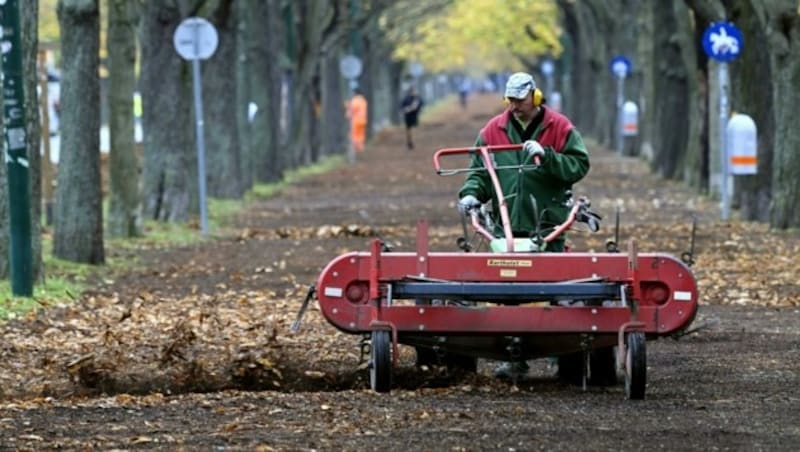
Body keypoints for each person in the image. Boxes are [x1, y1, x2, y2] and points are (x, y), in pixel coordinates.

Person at [457, 71, 590, 379]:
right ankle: (513, 358)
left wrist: (549, 156)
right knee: (509, 293)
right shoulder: (494, 130)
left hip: (548, 222)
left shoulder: (560, 127)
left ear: (535, 96)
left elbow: (579, 165)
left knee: (557, 288)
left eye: (520, 100)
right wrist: (470, 195)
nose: (515, 106)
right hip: (506, 223)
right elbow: (480, 171)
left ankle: (561, 354)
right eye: (511, 100)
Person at [346, 87, 368, 153]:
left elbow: (352, 109)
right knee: (361, 135)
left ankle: (355, 150)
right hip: (363, 120)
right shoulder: (363, 100)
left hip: (356, 120)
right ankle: (361, 149)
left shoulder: (355, 100)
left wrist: (348, 111)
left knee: (354, 135)